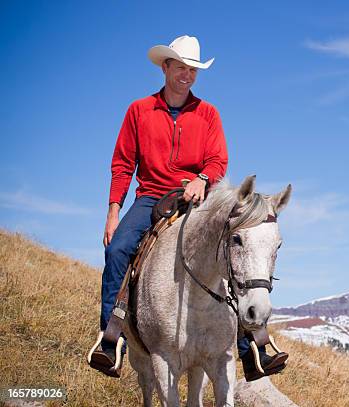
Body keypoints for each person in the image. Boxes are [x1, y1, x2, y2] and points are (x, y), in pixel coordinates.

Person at [94, 35, 287, 381]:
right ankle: (111, 340)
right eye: (181, 67)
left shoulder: (208, 113)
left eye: (193, 70)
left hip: (198, 197)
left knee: (233, 245)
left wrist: (202, 178)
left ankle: (252, 347)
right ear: (165, 67)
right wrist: (113, 211)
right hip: (151, 196)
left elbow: (218, 159)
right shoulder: (139, 110)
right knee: (119, 249)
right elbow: (123, 163)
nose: (187, 75)